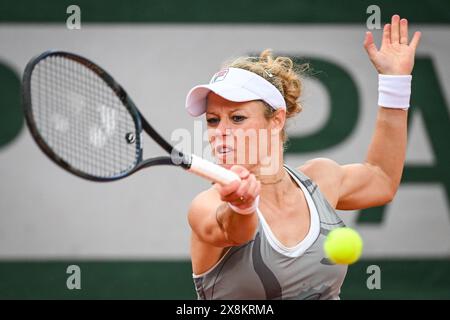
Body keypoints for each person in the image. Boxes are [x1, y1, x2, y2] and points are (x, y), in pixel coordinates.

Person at [184, 15, 421, 300]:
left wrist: (395, 84)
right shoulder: (205, 207)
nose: (219, 132)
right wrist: (242, 205)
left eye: (237, 118)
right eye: (212, 120)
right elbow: (235, 231)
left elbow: (382, 179)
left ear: (276, 120)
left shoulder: (321, 179)